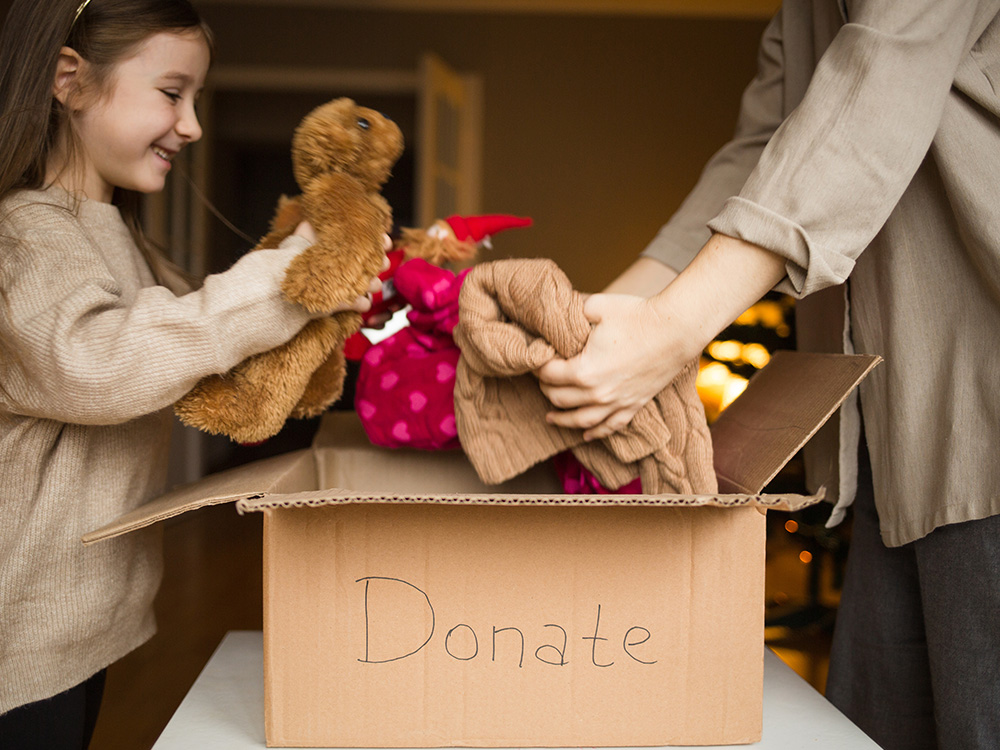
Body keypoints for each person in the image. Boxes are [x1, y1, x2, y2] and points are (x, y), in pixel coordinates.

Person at [537, 2, 1000, 749]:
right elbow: (760, 154)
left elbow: (877, 89)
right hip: (890, 427)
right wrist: (609, 322)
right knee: (875, 726)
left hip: (984, 401)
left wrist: (672, 329)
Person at [0, 1, 385, 747]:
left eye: (197, 100)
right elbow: (101, 365)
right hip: (17, 644)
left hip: (79, 632)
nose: (192, 125)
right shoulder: (25, 235)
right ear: (69, 81)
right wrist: (282, 282)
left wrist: (322, 292)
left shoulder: (118, 241)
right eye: (172, 93)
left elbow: (202, 352)